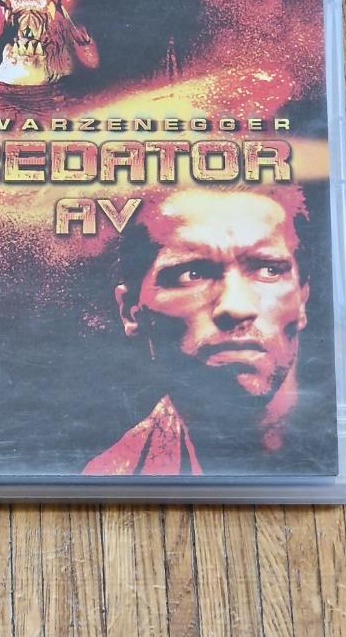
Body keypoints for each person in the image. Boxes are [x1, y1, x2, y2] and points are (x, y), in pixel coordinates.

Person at [83, 185, 313, 476]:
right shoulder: (113, 474)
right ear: (131, 311)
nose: (235, 307)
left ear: (301, 300)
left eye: (268, 270)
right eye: (191, 274)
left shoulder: (341, 443)